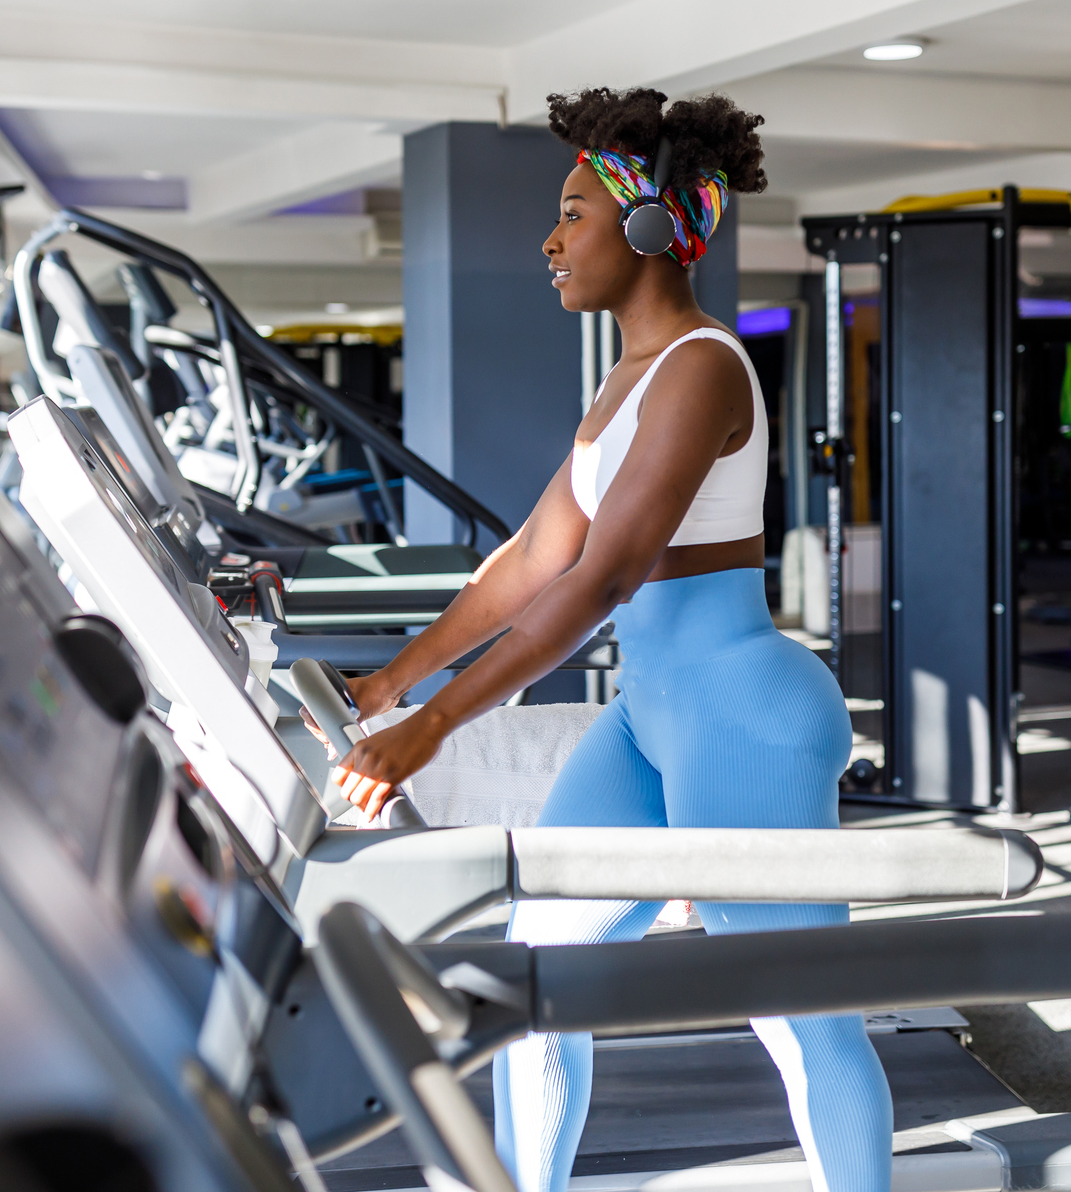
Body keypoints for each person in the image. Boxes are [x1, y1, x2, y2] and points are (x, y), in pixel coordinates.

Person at [320, 87, 894, 1192]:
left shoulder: (704, 367)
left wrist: (434, 724)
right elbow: (531, 560)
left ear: (643, 229)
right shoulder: (621, 382)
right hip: (649, 714)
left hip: (742, 713)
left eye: (573, 212)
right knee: (542, 982)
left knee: (798, 1018)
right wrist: (385, 683)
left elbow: (606, 574)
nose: (549, 237)